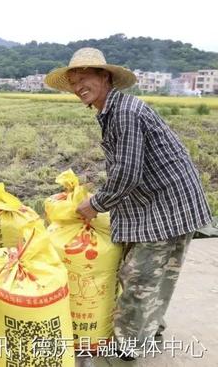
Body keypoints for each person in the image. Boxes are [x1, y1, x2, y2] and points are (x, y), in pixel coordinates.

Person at [45, 48, 212, 360]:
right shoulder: (111, 110)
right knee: (158, 273)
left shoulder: (123, 112)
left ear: (105, 77)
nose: (79, 86)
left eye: (85, 78)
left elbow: (127, 172)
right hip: (163, 200)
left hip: (166, 204)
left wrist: (97, 203)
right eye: (74, 82)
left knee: (139, 276)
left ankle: (128, 348)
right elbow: (127, 164)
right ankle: (149, 329)